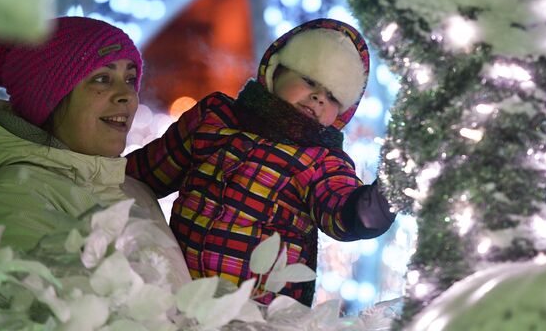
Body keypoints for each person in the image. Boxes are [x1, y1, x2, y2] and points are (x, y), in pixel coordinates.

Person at [126, 18, 395, 305]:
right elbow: (148, 171)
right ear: (276, 70)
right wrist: (94, 173)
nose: (318, 98)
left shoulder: (321, 160)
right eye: (309, 80)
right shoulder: (215, 118)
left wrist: (386, 195)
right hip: (176, 290)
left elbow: (342, 209)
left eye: (332, 97)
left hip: (255, 311)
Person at [0, 16, 190, 288]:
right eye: (102, 79)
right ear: (50, 99)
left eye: (130, 78)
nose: (127, 95)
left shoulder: (135, 190)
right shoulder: (13, 199)